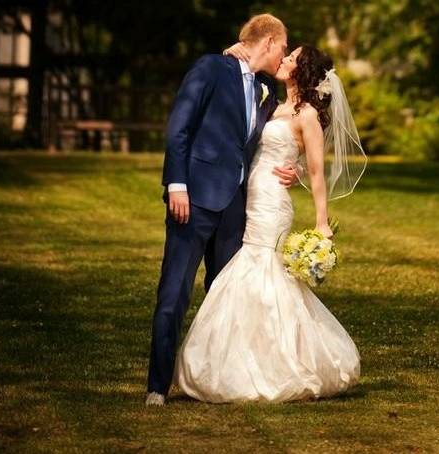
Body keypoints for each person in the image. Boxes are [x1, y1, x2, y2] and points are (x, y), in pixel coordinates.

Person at [171, 44, 367, 403]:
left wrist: (321, 222)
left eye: (291, 58)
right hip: (249, 195)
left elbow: (319, 172)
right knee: (249, 268)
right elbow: (248, 74)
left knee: (263, 270)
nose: (284, 59)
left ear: (301, 71)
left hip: (274, 203)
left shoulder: (307, 114)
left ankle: (278, 363)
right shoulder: (272, 103)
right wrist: (235, 51)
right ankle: (239, 359)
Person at [145, 14, 299, 406]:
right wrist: (176, 183)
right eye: (282, 46)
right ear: (267, 42)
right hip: (193, 200)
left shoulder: (265, 87)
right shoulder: (211, 68)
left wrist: (293, 168)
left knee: (227, 297)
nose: (283, 55)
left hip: (236, 207)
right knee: (174, 291)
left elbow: (282, 133)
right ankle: (157, 388)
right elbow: (179, 127)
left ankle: (218, 379)